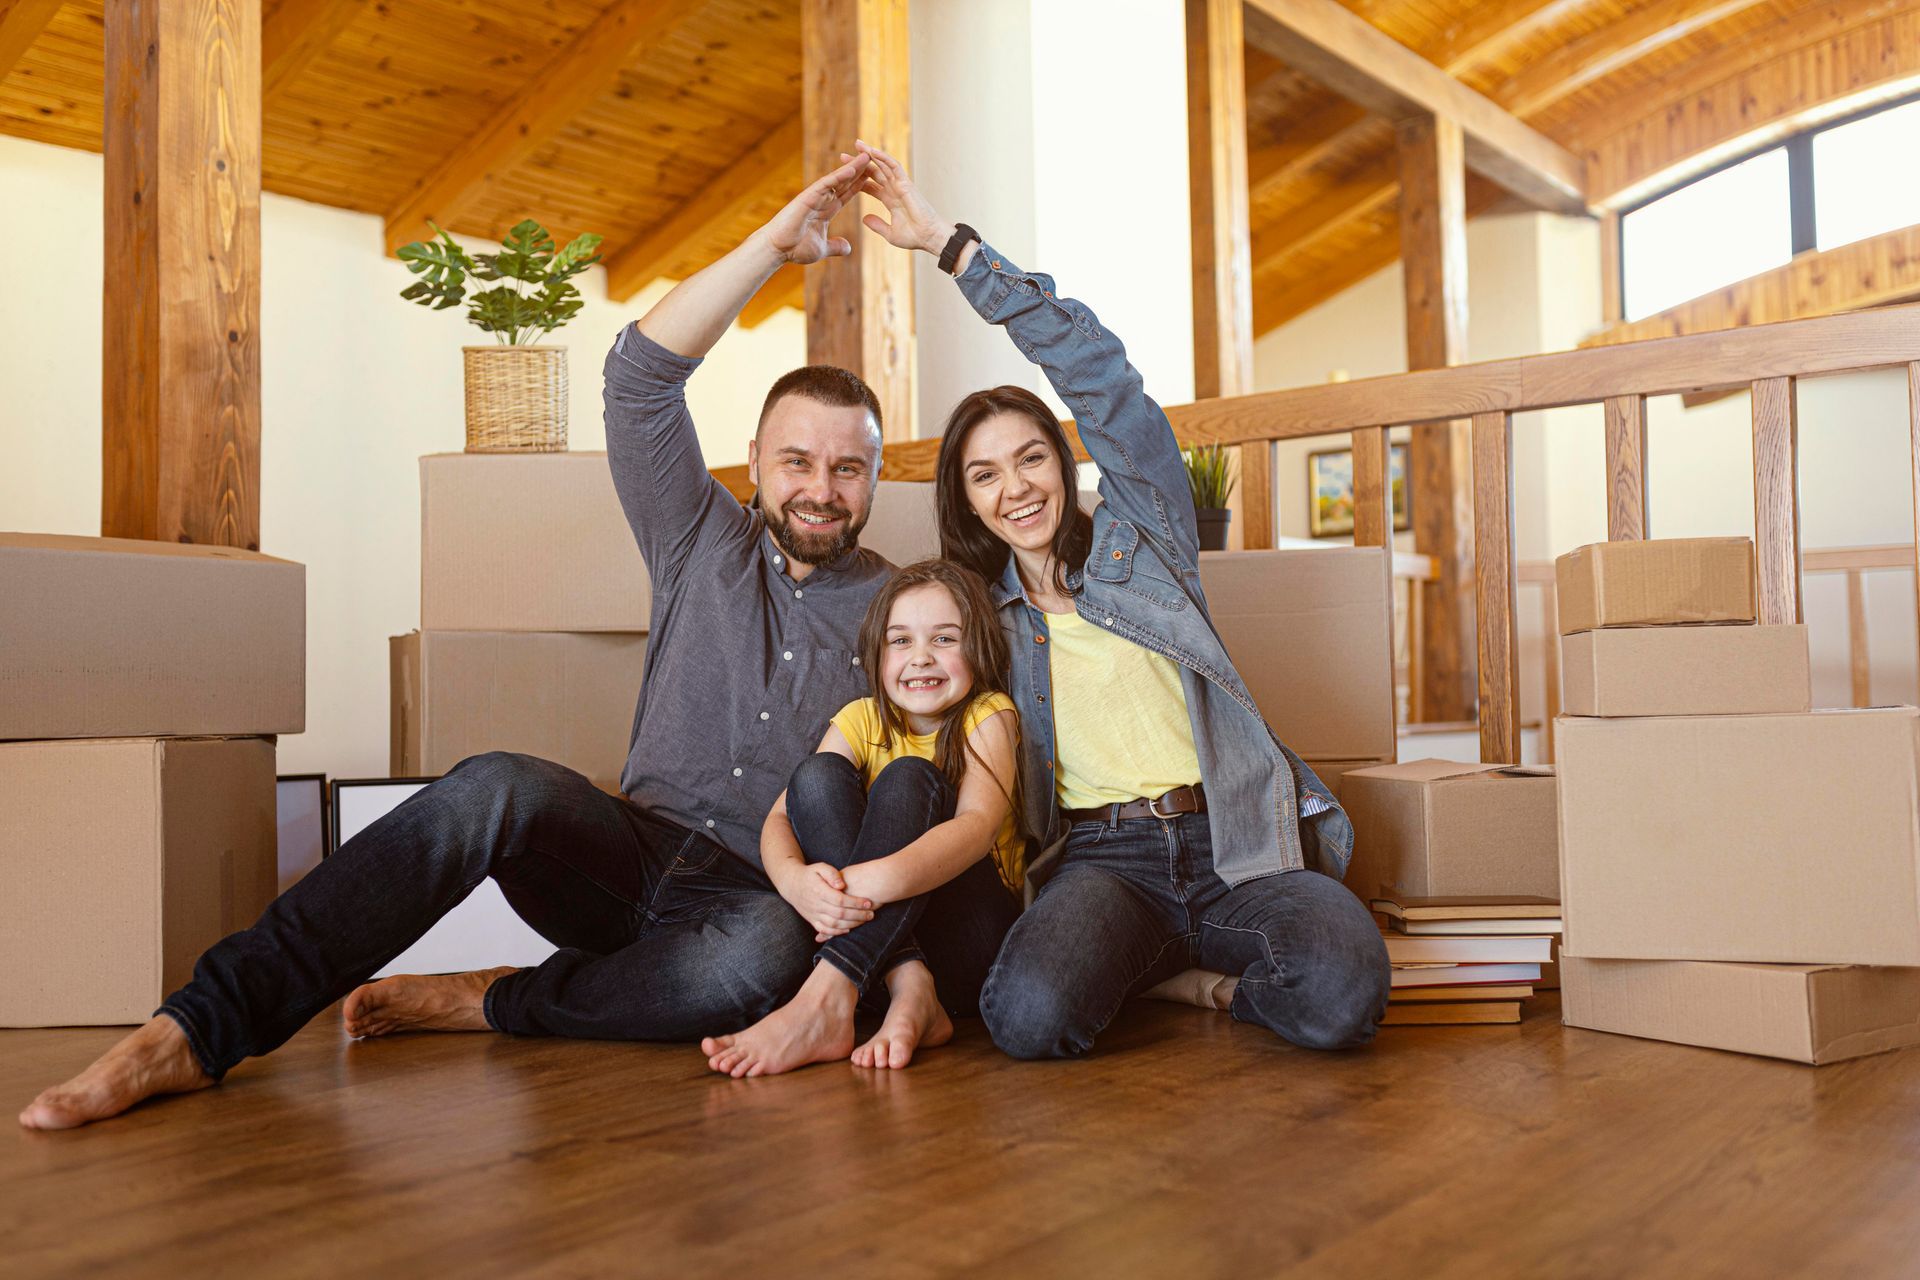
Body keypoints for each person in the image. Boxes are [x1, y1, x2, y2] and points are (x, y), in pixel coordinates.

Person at [18, 153, 904, 1131]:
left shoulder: (901, 607)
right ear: (759, 464)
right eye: (797, 458)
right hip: (622, 852)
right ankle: (195, 1028)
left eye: (848, 466)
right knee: (492, 783)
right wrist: (769, 249)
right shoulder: (700, 535)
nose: (821, 485)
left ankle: (492, 999)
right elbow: (639, 375)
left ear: (871, 480)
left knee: (752, 967)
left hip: (755, 898)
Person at [850, 142, 1391, 1057]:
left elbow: (1102, 377)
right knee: (1025, 1019)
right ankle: (1159, 969)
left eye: (1031, 458)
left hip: (1236, 841)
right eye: (985, 475)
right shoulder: (980, 619)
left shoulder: (1147, 545)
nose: (1015, 488)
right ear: (967, 500)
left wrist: (952, 248)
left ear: (1063, 467)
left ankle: (1197, 987)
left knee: (1345, 993)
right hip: (1105, 863)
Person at [702, 558, 1023, 1077]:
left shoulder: (988, 713)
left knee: (907, 776)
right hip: (883, 946)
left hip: (971, 943)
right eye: (901, 641)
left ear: (978, 647)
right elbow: (780, 818)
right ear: (876, 653)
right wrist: (795, 881)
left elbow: (977, 827)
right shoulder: (861, 718)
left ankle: (828, 997)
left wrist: (871, 881)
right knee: (816, 776)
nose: (921, 658)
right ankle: (910, 987)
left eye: (944, 639)